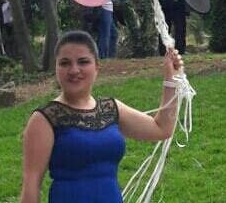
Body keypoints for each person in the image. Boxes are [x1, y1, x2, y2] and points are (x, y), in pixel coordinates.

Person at [21, 30, 183, 202]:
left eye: (83, 62)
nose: (74, 70)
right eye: (65, 63)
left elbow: (161, 129)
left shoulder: (110, 109)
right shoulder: (45, 118)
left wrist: (171, 80)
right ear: (56, 68)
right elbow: (31, 185)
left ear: (97, 67)